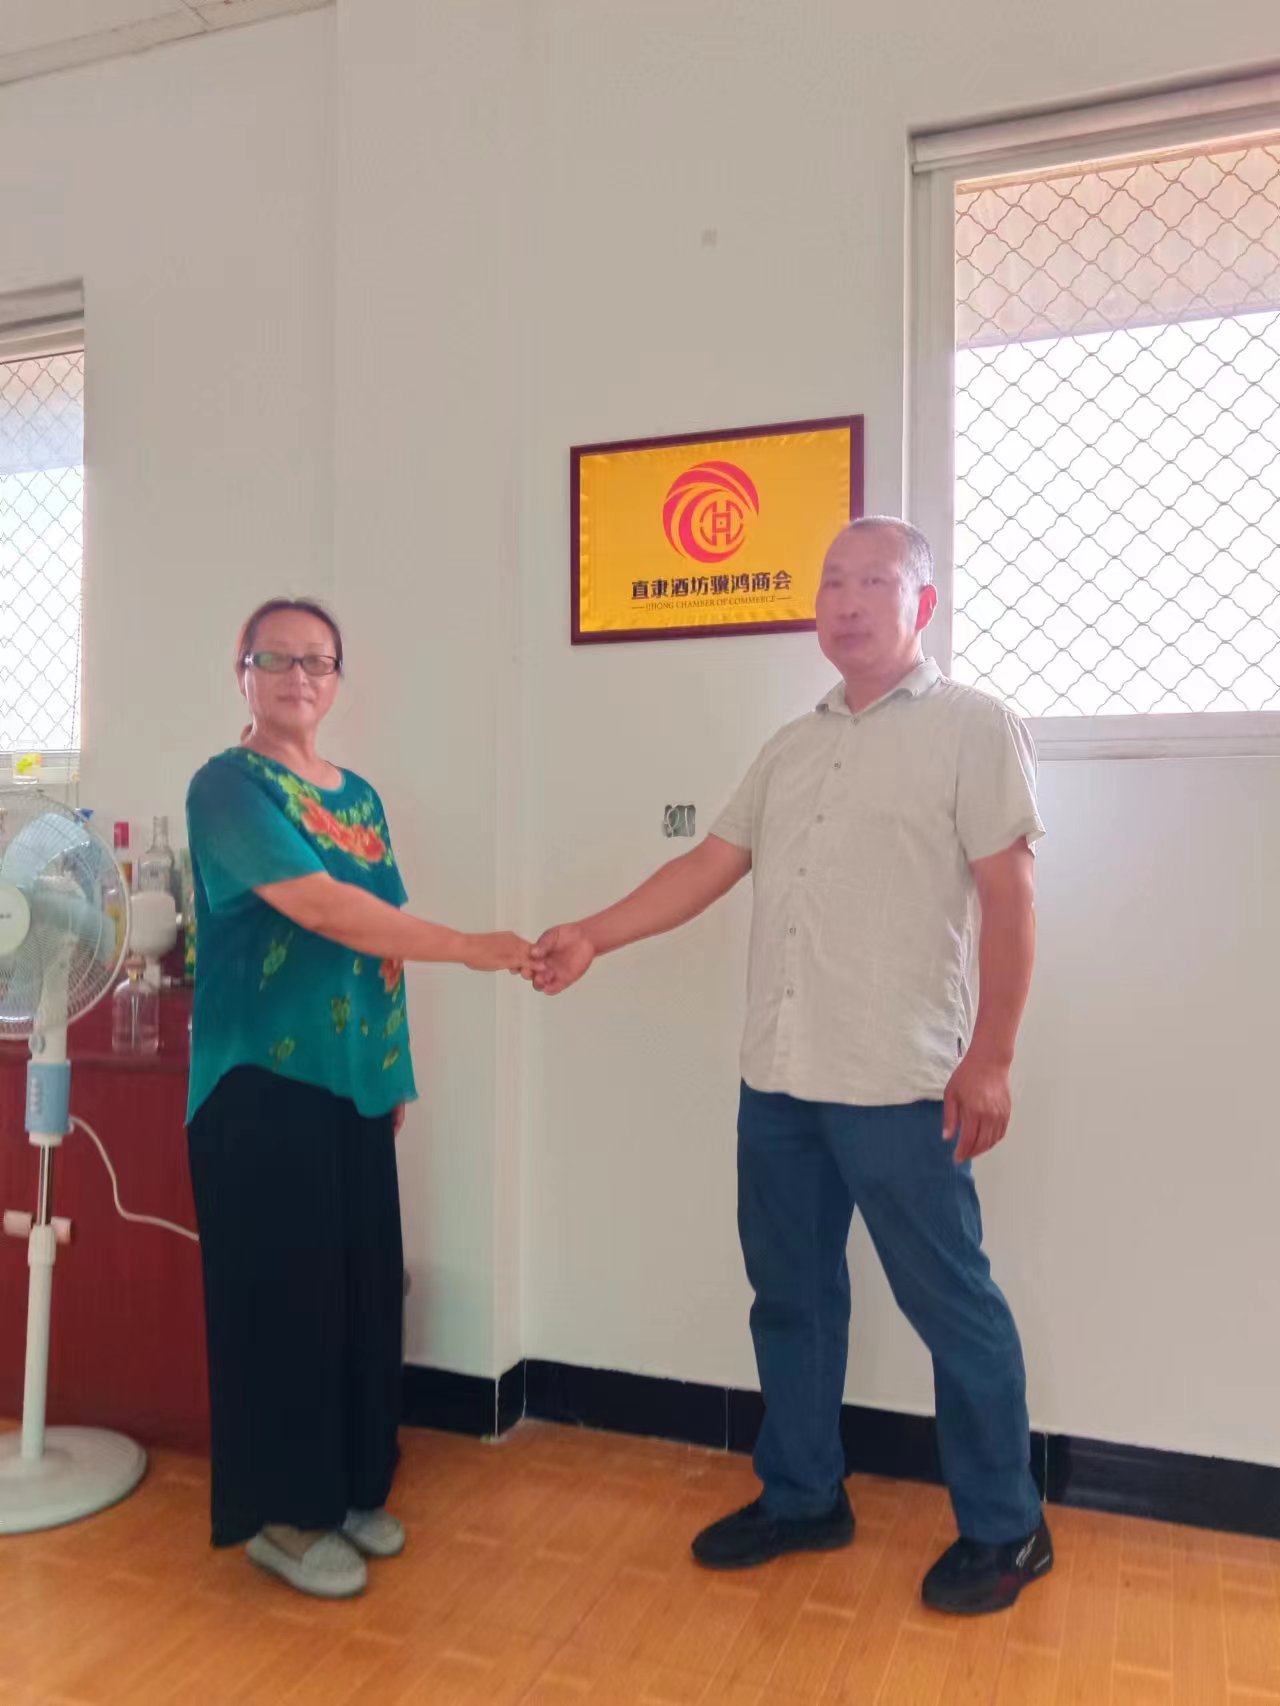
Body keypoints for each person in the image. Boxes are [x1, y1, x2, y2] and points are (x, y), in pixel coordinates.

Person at [531, 517, 1052, 1616]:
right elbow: (706, 866)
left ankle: (1007, 1527)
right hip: (777, 1076)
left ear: (922, 604)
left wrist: (992, 1058)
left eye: (874, 582)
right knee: (791, 1297)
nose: (847, 601)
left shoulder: (972, 725)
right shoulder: (789, 746)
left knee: (951, 1303)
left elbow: (1010, 895)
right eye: (831, 583)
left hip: (900, 1083)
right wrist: (591, 936)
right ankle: (804, 1495)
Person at [186, 597, 532, 1601]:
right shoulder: (227, 785)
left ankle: (346, 1490)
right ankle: (281, 1518)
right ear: (243, 672)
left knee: (361, 1291)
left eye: (318, 661)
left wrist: (392, 1072)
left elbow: (381, 948)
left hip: (352, 1083)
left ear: (337, 680)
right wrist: (471, 945)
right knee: (283, 1299)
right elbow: (326, 909)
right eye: (277, 659)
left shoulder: (361, 796)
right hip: (260, 1084)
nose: (299, 676)